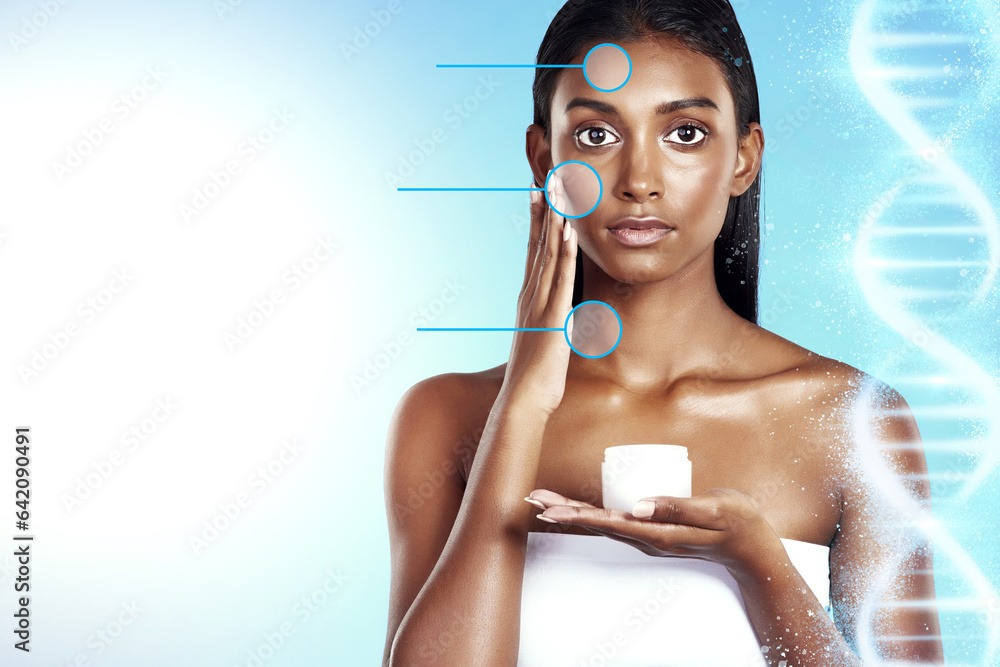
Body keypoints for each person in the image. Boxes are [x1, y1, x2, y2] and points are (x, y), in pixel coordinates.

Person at [382, 0, 944, 664]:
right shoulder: (447, 416)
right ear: (543, 159)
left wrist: (758, 560)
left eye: (684, 133)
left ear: (744, 157)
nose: (639, 181)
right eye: (596, 135)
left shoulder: (852, 421)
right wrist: (524, 402)